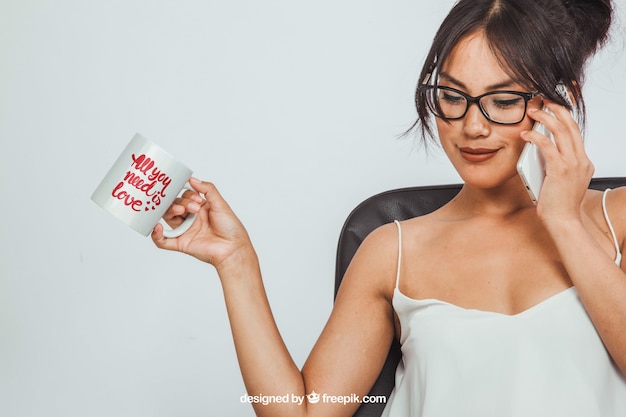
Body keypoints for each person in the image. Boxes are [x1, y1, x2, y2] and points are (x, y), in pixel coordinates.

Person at [152, 0, 626, 416]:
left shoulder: (617, 219)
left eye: (502, 101)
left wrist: (563, 221)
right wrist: (236, 263)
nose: (471, 126)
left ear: (556, 101)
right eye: (452, 97)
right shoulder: (390, 250)